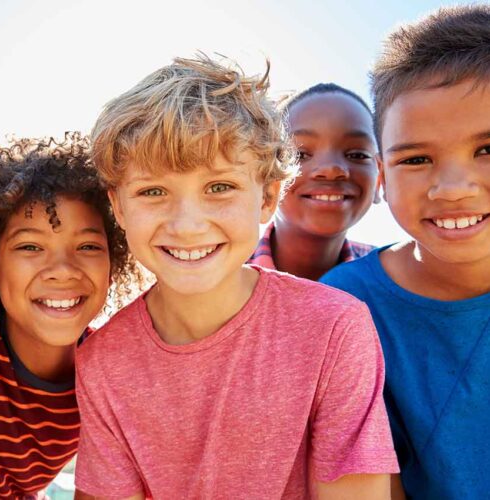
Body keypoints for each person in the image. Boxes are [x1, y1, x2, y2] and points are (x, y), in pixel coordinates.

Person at [73, 54, 398, 500]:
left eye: (219, 187)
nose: (187, 225)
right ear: (119, 206)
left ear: (267, 197)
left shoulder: (335, 327)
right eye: (153, 191)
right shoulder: (102, 361)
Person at [320, 5, 490, 499]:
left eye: (487, 148)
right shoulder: (345, 310)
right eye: (416, 158)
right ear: (382, 174)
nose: (453, 188)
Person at [0, 134, 137, 498]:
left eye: (88, 246)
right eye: (30, 246)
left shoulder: (108, 370)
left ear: (112, 264)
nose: (62, 270)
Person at [249, 83, 378, 280]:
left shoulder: (398, 282)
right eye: (299, 154)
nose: (331, 169)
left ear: (380, 177)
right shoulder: (217, 278)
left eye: (357, 154)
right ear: (267, 178)